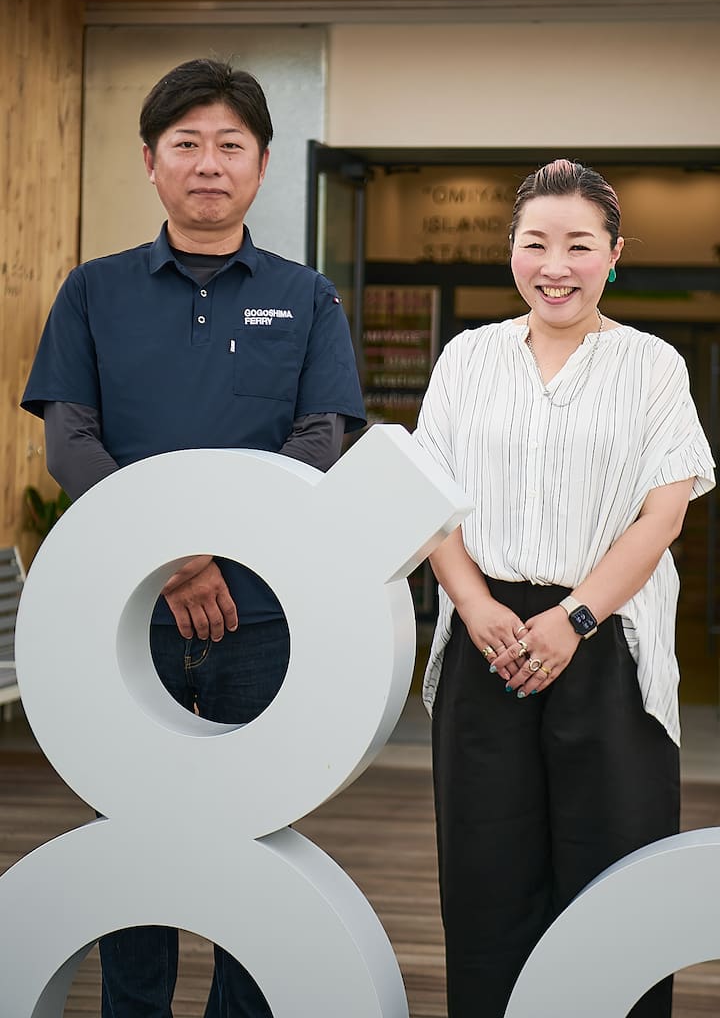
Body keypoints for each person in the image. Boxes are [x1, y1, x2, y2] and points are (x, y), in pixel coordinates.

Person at [21, 57, 365, 1018]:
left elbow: (319, 440)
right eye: (187, 145)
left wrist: (208, 555)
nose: (207, 165)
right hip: (121, 628)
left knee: (258, 844)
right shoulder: (95, 292)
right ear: (151, 161)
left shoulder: (306, 298)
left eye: (229, 146)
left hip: (264, 621)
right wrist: (173, 562)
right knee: (133, 840)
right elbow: (69, 441)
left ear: (260, 166)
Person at [413, 159, 715, 1018]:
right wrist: (472, 604)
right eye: (536, 242)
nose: (557, 264)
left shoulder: (650, 365)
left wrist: (575, 616)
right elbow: (429, 502)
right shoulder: (467, 358)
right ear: (510, 252)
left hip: (606, 639)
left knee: (615, 880)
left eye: (579, 244)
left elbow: (662, 516)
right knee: (486, 882)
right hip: (487, 639)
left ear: (614, 255)